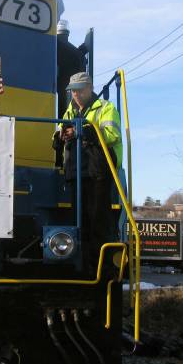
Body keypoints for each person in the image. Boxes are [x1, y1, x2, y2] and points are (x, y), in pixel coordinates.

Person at [53, 72, 122, 269]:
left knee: (98, 221)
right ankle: (81, 265)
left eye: (79, 90)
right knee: (79, 224)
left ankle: (101, 269)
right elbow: (56, 134)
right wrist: (60, 137)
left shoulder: (106, 108)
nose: (75, 94)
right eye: (72, 91)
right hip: (76, 173)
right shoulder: (69, 112)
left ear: (90, 88)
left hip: (98, 171)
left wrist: (82, 130)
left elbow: (112, 135)